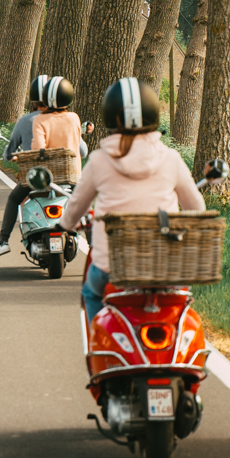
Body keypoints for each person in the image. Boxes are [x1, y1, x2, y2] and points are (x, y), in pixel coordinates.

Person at [58, 77, 205, 321]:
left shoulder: (99, 160)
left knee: (91, 293)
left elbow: (76, 206)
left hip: (113, 266)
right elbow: (197, 208)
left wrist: (64, 225)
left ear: (109, 116)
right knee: (180, 300)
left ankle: (97, 347)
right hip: (165, 264)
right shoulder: (171, 158)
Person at [0, 75, 87, 260]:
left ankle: (3, 242)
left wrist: (22, 158)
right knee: (86, 204)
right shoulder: (74, 118)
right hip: (70, 178)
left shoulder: (34, 121)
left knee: (13, 198)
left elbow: (37, 151)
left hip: (40, 177)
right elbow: (83, 150)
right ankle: (93, 247)